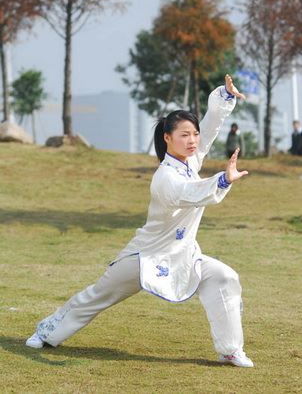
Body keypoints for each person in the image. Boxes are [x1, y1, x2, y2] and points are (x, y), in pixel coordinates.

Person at [26, 74, 254, 368]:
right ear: (167, 138)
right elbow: (190, 193)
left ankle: (230, 350)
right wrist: (223, 179)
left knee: (224, 277)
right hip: (145, 256)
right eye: (184, 135)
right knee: (98, 295)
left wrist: (224, 95)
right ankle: (46, 333)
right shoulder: (165, 177)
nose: (192, 140)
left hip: (184, 255)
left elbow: (209, 129)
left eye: (193, 134)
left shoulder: (191, 162)